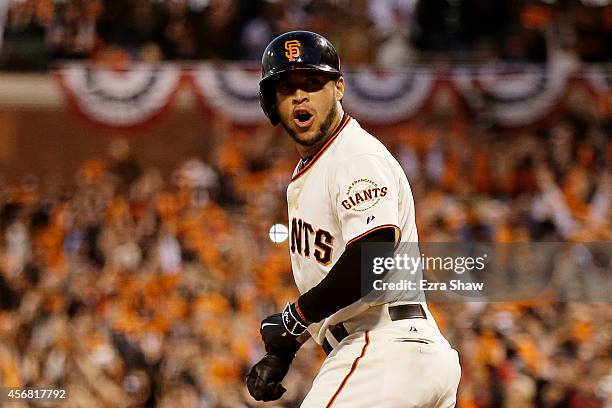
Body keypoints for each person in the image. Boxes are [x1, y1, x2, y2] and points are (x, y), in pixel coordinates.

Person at [246, 30, 461, 407]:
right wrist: (286, 349)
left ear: (339, 87)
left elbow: (372, 257)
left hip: (385, 348)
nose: (299, 95)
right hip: (400, 354)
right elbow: (336, 284)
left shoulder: (354, 156)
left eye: (312, 82)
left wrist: (295, 318)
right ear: (272, 104)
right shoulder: (321, 165)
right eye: (286, 87)